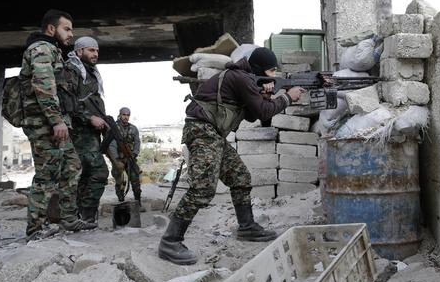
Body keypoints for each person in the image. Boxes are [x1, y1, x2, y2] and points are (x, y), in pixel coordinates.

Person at [158, 47, 304, 265]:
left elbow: (255, 114)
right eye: (272, 70)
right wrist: (287, 98)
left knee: (240, 177)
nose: (274, 75)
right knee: (203, 188)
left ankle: (246, 227)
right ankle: (170, 242)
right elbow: (264, 112)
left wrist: (266, 95)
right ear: (260, 69)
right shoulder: (240, 77)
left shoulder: (245, 79)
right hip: (202, 131)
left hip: (212, 134)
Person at [19, 9, 97, 238]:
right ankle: (35, 229)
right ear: (52, 29)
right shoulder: (41, 49)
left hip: (55, 123)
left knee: (72, 167)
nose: (71, 34)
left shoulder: (54, 50)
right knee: (46, 176)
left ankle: (69, 220)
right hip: (44, 124)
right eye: (67, 29)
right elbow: (44, 87)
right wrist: (55, 121)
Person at [65, 36, 109, 224]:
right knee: (99, 173)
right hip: (78, 133)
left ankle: (79, 216)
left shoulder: (91, 73)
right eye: (91, 50)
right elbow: (68, 103)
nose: (95, 54)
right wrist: (89, 118)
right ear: (79, 51)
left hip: (91, 135)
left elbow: (92, 102)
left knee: (85, 175)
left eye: (97, 51)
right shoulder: (72, 70)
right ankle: (86, 215)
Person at [109, 107, 143, 209]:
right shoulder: (114, 128)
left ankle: (138, 201)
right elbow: (112, 145)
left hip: (130, 158)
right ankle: (121, 202)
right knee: (120, 182)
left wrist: (135, 154)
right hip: (118, 159)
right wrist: (116, 160)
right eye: (124, 115)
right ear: (120, 115)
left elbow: (137, 142)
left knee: (135, 180)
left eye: (128, 115)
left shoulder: (133, 128)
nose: (126, 117)